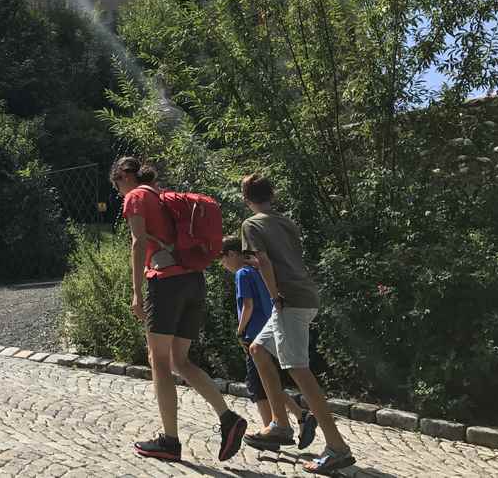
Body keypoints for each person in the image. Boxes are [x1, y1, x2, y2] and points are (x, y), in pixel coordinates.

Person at [111, 156, 247, 463]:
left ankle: (169, 441)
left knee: (158, 360)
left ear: (123, 176)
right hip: (193, 281)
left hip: (166, 282)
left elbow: (137, 242)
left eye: (117, 183)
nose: (118, 190)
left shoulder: (136, 196)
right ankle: (228, 419)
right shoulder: (163, 196)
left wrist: (135, 292)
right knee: (180, 360)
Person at [239, 173, 356, 474]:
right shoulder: (286, 222)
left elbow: (263, 261)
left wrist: (274, 294)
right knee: (259, 351)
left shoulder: (251, 224)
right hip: (305, 295)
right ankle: (280, 425)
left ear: (245, 198)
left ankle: (337, 448)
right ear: (272, 194)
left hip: (289, 300)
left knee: (299, 371)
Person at [218, 238, 318, 449]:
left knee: (258, 386)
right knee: (269, 383)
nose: (221, 263)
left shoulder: (242, 274)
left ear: (233, 254)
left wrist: (240, 330)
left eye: (222, 257)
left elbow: (248, 304)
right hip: (271, 329)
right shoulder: (258, 271)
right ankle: (300, 417)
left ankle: (272, 432)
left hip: (254, 334)